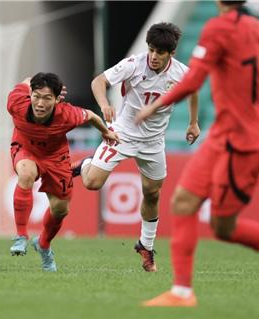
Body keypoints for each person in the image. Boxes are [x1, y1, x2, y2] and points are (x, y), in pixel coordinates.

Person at [136, 1, 259, 306]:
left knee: (223, 226)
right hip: (224, 135)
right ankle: (182, 292)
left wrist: (154, 105)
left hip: (241, 142)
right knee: (183, 201)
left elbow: (194, 78)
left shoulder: (219, 27)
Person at [71, 22, 200, 272]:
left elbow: (193, 91)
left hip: (153, 142)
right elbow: (98, 81)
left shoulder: (181, 73)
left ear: (171, 54)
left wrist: (193, 123)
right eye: (151, 49)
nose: (153, 56)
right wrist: (105, 103)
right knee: (92, 183)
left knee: (152, 193)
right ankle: (87, 163)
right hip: (123, 134)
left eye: (159, 52)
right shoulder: (133, 64)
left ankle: (146, 246)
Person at [7, 72, 119, 272]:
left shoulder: (66, 114)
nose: (40, 103)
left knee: (60, 209)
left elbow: (91, 116)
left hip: (55, 158)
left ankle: (43, 244)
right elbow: (25, 82)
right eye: (36, 96)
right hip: (25, 149)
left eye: (47, 98)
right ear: (30, 94)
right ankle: (21, 236)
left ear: (57, 100)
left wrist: (105, 131)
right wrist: (34, 80)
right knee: (26, 173)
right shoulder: (16, 103)